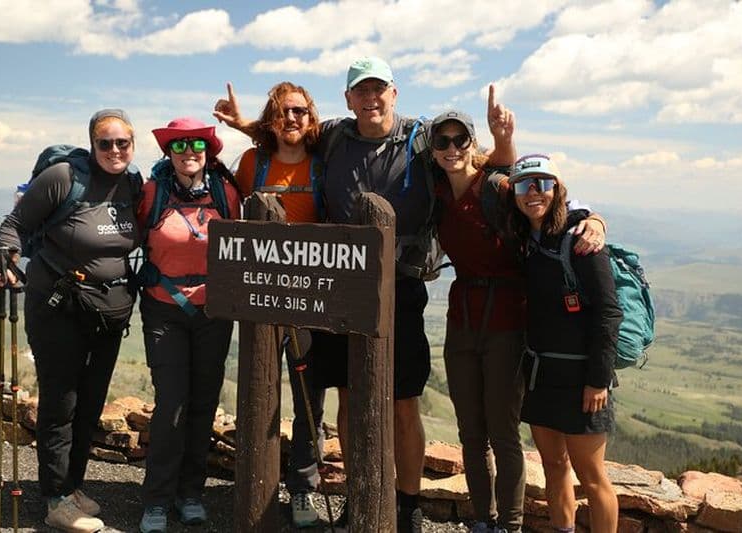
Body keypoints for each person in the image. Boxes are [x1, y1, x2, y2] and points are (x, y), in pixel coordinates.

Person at [214, 57, 523, 532]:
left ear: (394, 94)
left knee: (402, 401)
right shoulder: (335, 136)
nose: (371, 98)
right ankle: (362, 496)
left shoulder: (421, 140)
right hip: (340, 287)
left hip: (402, 286)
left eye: (379, 89)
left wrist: (504, 142)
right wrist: (245, 124)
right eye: (362, 91)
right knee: (349, 394)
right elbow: (289, 132)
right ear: (348, 99)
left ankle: (407, 504)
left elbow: (480, 170)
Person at [432, 112, 609, 533]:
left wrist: (595, 217)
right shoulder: (434, 191)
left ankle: (509, 525)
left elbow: (547, 198)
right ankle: (481, 520)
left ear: (473, 145)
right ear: (434, 150)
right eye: (443, 141)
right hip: (463, 320)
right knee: (470, 431)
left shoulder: (496, 187)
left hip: (507, 322)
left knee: (503, 431)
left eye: (461, 139)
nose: (452, 148)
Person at [0, 109, 142, 532]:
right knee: (62, 402)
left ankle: (73, 486)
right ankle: (57, 500)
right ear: (92, 144)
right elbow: (15, 225)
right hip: (58, 307)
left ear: (133, 146)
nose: (114, 150)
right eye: (105, 143)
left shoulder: (132, 184)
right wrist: (7, 264)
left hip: (107, 315)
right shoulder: (63, 177)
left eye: (123, 143)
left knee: (91, 403)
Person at [136, 117, 240, 533]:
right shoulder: (151, 193)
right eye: (179, 146)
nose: (188, 152)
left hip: (214, 314)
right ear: (168, 153)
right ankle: (157, 500)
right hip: (164, 311)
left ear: (208, 150)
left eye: (197, 144)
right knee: (171, 405)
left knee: (203, 403)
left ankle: (191, 493)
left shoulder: (226, 193)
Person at [506, 154, 621, 533]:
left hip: (582, 377)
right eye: (525, 185)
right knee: (554, 468)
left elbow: (608, 311)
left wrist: (598, 379)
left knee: (592, 477)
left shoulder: (581, 239)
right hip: (541, 373)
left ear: (559, 190)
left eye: (543, 183)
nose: (534, 192)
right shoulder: (526, 236)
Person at [233, 81, 326, 528]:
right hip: (260, 298)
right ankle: (256, 479)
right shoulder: (253, 163)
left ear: (311, 118)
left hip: (311, 302)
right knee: (259, 391)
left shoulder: (324, 163)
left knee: (310, 398)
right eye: (283, 112)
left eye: (300, 112)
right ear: (271, 118)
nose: (292, 119)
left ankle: (303, 488)